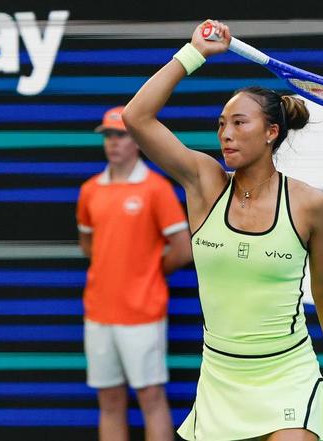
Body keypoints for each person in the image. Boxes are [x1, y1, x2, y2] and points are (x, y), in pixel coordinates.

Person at [122, 20, 323, 441]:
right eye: (221, 124)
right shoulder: (204, 183)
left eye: (239, 123)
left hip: (288, 372)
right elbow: (136, 117)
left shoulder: (309, 203)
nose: (226, 134)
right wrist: (194, 53)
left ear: (271, 132)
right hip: (221, 377)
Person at [76, 105, 193, 441]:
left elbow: (183, 248)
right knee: (109, 400)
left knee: (150, 397)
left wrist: (147, 274)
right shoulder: (90, 190)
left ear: (138, 141)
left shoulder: (156, 188)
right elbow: (88, 245)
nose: (113, 142)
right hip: (99, 312)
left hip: (143, 313)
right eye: (108, 135)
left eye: (121, 135)